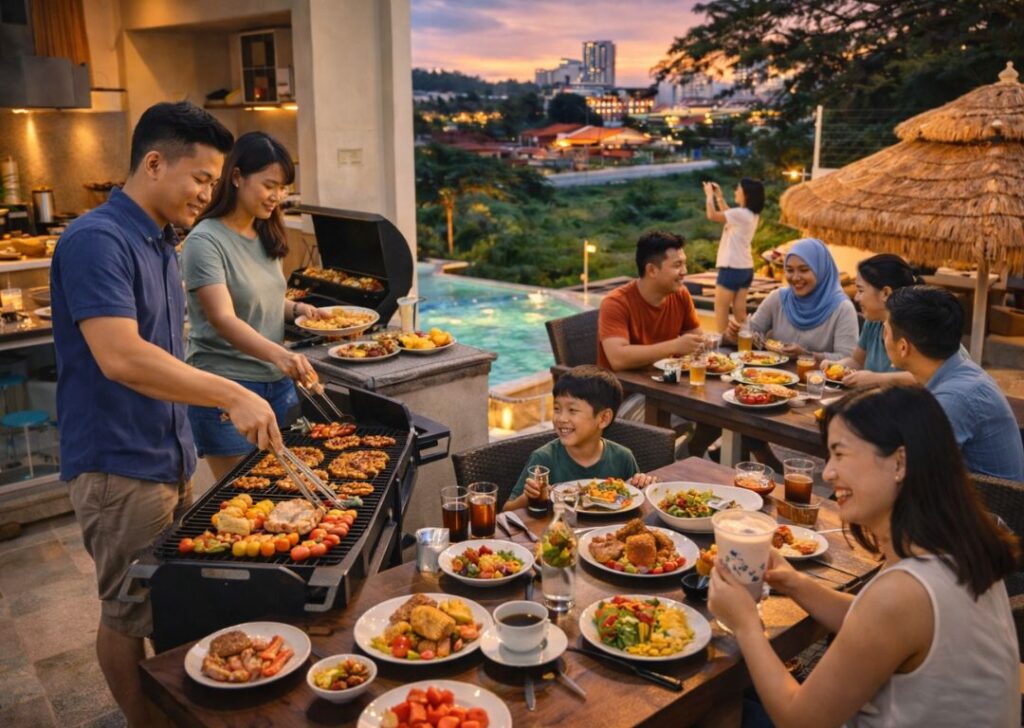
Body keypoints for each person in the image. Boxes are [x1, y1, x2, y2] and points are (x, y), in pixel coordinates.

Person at [50, 101, 282, 727]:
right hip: (118, 461)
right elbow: (121, 357)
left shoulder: (158, 241)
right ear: (154, 163)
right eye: (202, 178)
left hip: (167, 452)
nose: (209, 193)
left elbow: (164, 351)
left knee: (173, 598)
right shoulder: (97, 239)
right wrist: (230, 393)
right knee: (126, 612)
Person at [710, 385, 1020, 727]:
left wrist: (745, 625)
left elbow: (800, 720)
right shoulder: (957, 547)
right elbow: (871, 624)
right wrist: (795, 582)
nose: (827, 473)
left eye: (840, 455)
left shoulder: (902, 593)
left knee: (718, 708)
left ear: (899, 461)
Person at [181, 132, 322, 479]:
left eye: (284, 187)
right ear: (236, 177)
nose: (278, 196)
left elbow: (263, 297)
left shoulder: (264, 233)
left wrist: (298, 310)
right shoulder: (205, 241)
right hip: (228, 389)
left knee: (289, 489)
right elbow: (223, 318)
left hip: (278, 385)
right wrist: (282, 355)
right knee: (244, 498)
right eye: (270, 185)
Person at [884, 285, 1024, 480]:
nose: (884, 338)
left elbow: (907, 473)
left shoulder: (955, 398)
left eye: (886, 332)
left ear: (903, 347)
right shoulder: (957, 370)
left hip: (989, 507)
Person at [504, 365, 656, 511]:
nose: (561, 418)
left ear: (603, 418)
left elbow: (635, 501)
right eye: (557, 409)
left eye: (572, 410)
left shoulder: (623, 457)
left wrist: (642, 483)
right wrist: (528, 497)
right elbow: (506, 510)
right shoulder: (544, 459)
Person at [725, 238, 857, 361]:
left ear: (821, 270)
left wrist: (806, 355)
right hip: (771, 379)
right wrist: (735, 334)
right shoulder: (778, 298)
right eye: (789, 270)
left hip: (817, 383)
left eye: (804, 270)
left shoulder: (842, 309)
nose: (795, 277)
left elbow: (847, 358)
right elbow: (752, 334)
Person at [597, 230, 704, 371]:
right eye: (677, 265)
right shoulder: (616, 303)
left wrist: (725, 337)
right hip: (625, 388)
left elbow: (696, 338)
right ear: (652, 270)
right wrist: (674, 346)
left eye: (684, 264)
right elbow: (618, 359)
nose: (685, 271)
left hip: (665, 381)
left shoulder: (680, 294)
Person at [819, 253, 920, 387]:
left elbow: (924, 378)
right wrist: (836, 366)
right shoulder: (874, 321)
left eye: (860, 290)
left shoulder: (918, 328)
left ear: (885, 293)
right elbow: (857, 361)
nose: (856, 298)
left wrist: (877, 379)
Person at [702, 177, 765, 334]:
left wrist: (709, 195)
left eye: (738, 189)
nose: (736, 191)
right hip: (745, 269)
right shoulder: (750, 215)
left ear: (746, 194)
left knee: (721, 308)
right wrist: (719, 196)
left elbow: (713, 216)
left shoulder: (741, 214)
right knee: (739, 311)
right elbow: (729, 214)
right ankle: (747, 341)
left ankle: (723, 343)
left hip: (732, 268)